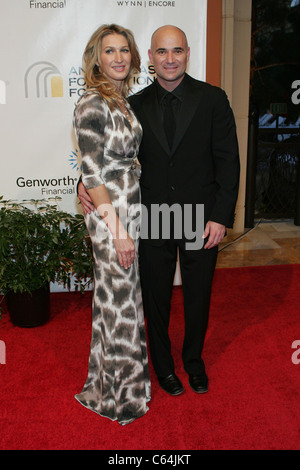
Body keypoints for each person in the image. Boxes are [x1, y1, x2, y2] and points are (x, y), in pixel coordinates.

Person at [78, 25, 240, 397]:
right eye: (162, 52)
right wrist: (82, 183)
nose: (170, 59)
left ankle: (194, 363)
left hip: (200, 217)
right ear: (149, 58)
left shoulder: (213, 99)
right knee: (156, 297)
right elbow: (106, 156)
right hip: (150, 215)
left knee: (198, 295)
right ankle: (164, 367)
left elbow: (229, 162)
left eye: (177, 51)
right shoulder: (132, 104)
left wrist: (220, 216)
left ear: (187, 53)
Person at [73, 24, 151, 425]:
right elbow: (93, 173)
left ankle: (114, 387)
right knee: (119, 303)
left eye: (124, 50)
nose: (118, 57)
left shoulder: (120, 101)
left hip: (128, 210)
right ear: (97, 58)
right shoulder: (92, 104)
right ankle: (119, 399)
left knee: (117, 301)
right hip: (111, 218)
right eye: (110, 51)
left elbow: (103, 163)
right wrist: (117, 230)